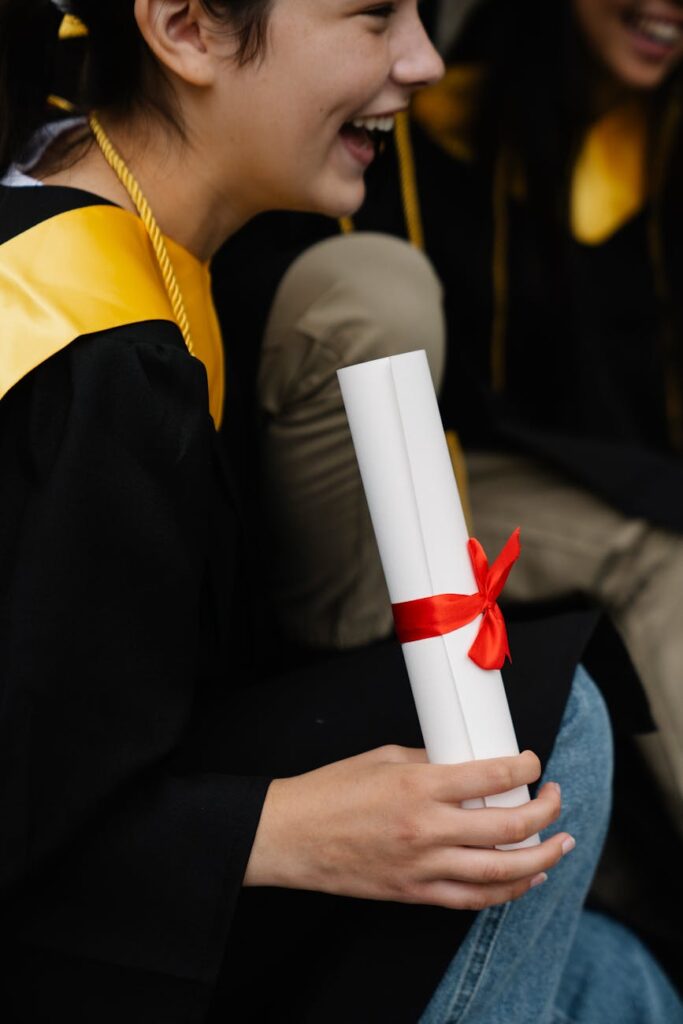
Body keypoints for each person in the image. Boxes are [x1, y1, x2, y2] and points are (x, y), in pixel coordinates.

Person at [1, 2, 679, 1022]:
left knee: (614, 978)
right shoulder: (79, 353)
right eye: (371, 16)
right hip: (73, 933)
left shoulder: (138, 236)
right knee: (553, 729)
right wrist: (281, 830)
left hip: (147, 855)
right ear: (185, 28)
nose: (423, 60)